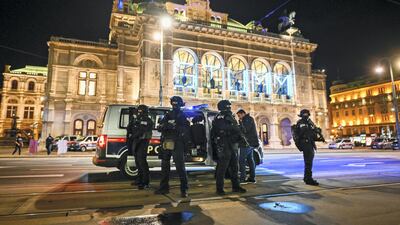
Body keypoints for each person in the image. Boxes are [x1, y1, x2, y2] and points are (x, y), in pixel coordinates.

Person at [155, 96, 191, 198]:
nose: (174, 105)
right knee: (165, 167)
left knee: (180, 167)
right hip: (167, 142)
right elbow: (160, 127)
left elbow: (186, 129)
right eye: (174, 103)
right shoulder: (168, 114)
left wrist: (174, 127)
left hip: (178, 142)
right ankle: (164, 187)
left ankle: (184, 189)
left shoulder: (182, 115)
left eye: (176, 103)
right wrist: (169, 126)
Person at [211, 100, 247, 195]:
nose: (230, 108)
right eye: (229, 106)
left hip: (228, 144)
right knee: (223, 168)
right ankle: (220, 189)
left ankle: (235, 186)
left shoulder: (222, 116)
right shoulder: (225, 117)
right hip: (226, 144)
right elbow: (233, 128)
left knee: (234, 167)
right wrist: (239, 133)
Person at [127, 105, 154, 190]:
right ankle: (139, 179)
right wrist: (132, 119)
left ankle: (145, 182)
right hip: (136, 141)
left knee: (142, 162)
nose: (138, 113)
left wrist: (133, 135)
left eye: (139, 111)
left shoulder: (147, 120)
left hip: (143, 142)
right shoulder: (136, 119)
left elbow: (141, 131)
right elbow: (129, 128)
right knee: (138, 162)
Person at [295, 109, 324, 186]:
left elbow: (312, 136)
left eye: (306, 114)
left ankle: (306, 177)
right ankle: (308, 179)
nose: (306, 116)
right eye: (304, 115)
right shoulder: (302, 123)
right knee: (308, 162)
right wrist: (314, 130)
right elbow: (304, 134)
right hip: (306, 144)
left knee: (309, 162)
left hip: (310, 144)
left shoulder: (309, 123)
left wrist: (319, 137)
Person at [236, 109, 259, 184]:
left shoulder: (248, 119)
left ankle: (243, 178)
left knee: (241, 160)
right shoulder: (247, 119)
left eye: (239, 115)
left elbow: (245, 130)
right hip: (250, 143)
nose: (239, 117)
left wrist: (240, 123)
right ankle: (252, 178)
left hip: (247, 143)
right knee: (250, 160)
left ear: (243, 114)